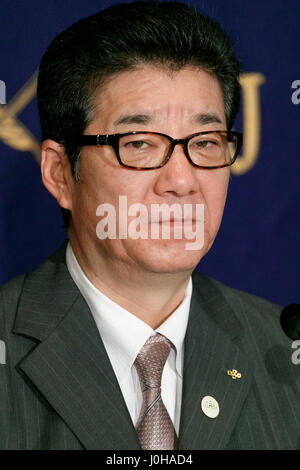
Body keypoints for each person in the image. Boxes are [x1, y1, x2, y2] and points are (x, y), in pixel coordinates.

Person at [0, 1, 298, 450]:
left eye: (205, 142)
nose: (182, 181)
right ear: (60, 173)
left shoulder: (283, 350)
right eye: (138, 143)